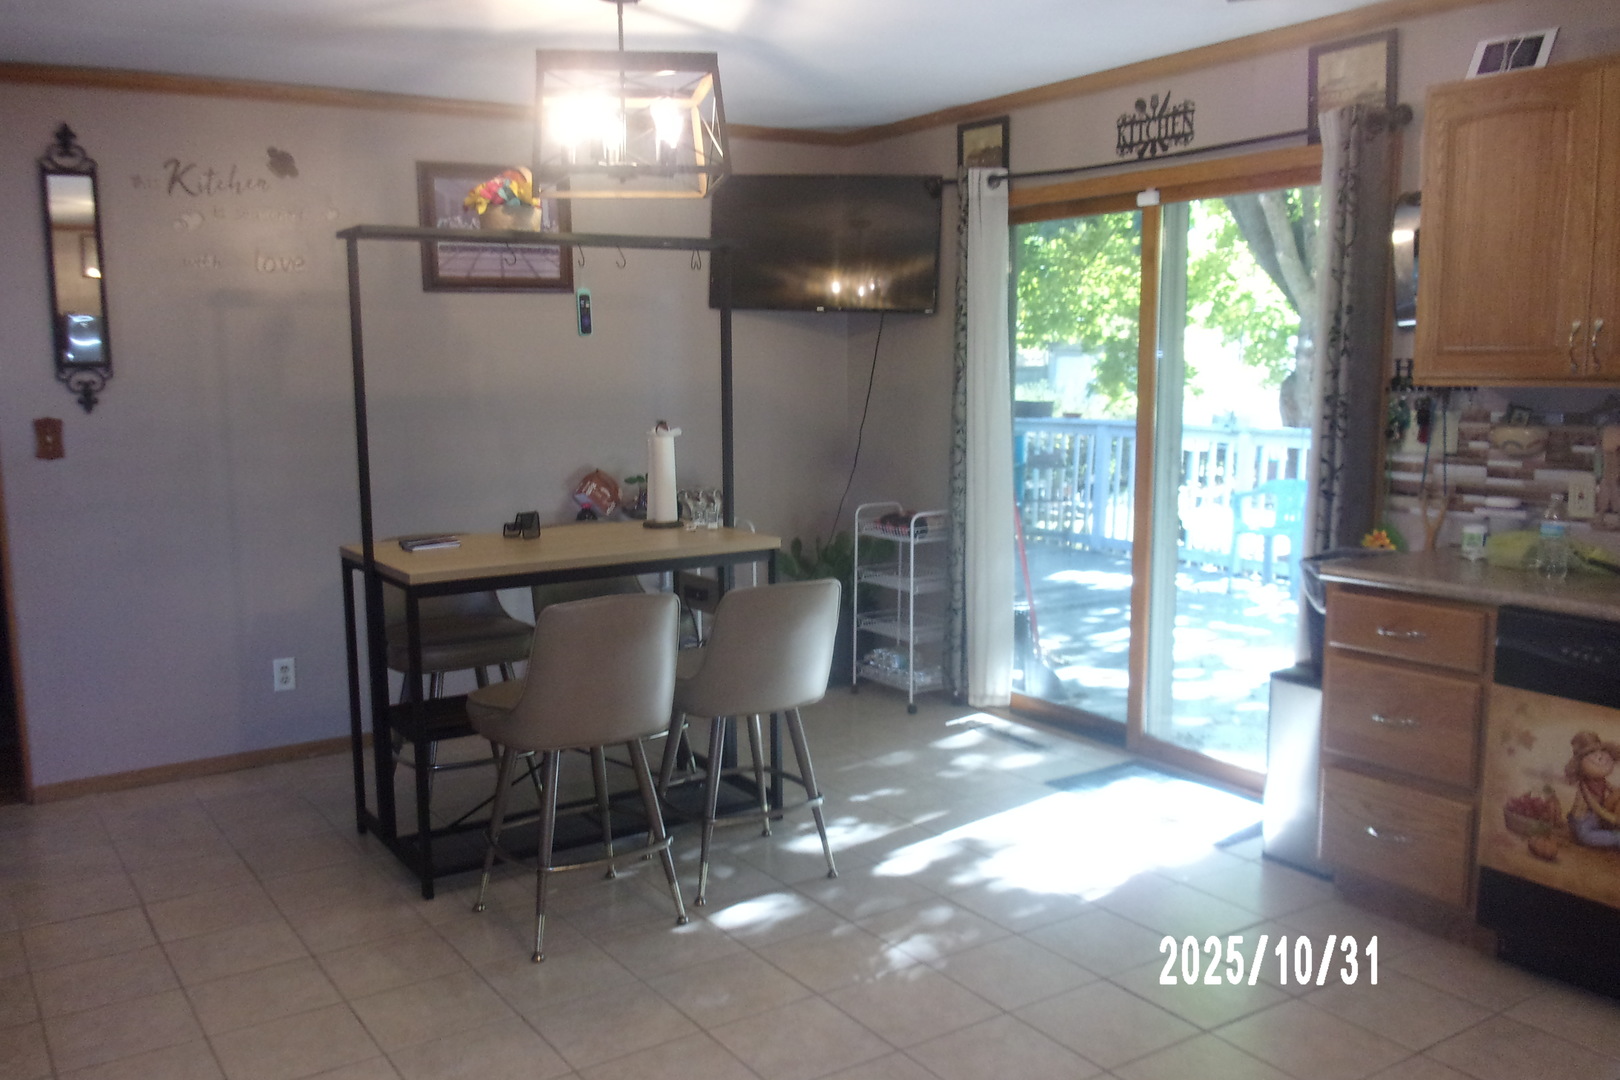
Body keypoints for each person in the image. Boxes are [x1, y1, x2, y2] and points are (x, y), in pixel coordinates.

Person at [1564, 731, 1620, 849]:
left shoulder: (1602, 781)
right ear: (1579, 764)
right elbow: (1595, 806)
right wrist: (1613, 818)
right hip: (1582, 822)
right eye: (1591, 753)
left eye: (1600, 751)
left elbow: (1614, 790)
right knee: (1586, 837)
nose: (1600, 756)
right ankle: (1616, 839)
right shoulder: (1584, 786)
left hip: (1596, 818)